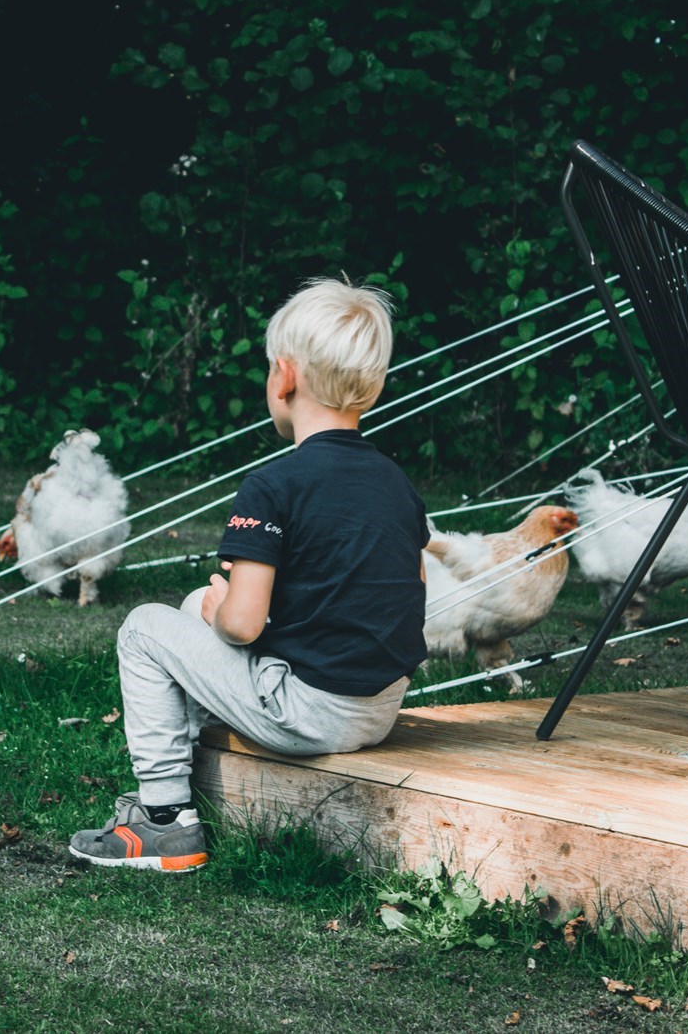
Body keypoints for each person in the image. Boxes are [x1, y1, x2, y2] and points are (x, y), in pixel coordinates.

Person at [68, 277, 429, 872]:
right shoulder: (398, 485)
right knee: (187, 609)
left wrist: (222, 608)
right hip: (377, 706)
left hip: (310, 712)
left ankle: (162, 821)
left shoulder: (274, 486)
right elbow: (406, 591)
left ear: (283, 377)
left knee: (143, 627)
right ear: (374, 385)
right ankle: (197, 757)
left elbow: (240, 625)